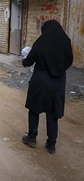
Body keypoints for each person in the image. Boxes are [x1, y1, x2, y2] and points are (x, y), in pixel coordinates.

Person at [21, 20, 73, 154]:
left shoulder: (41, 42)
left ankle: (31, 137)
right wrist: (59, 69)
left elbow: (28, 61)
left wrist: (24, 60)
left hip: (40, 81)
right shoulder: (66, 42)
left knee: (34, 109)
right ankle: (51, 144)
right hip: (58, 83)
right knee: (53, 114)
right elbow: (70, 60)